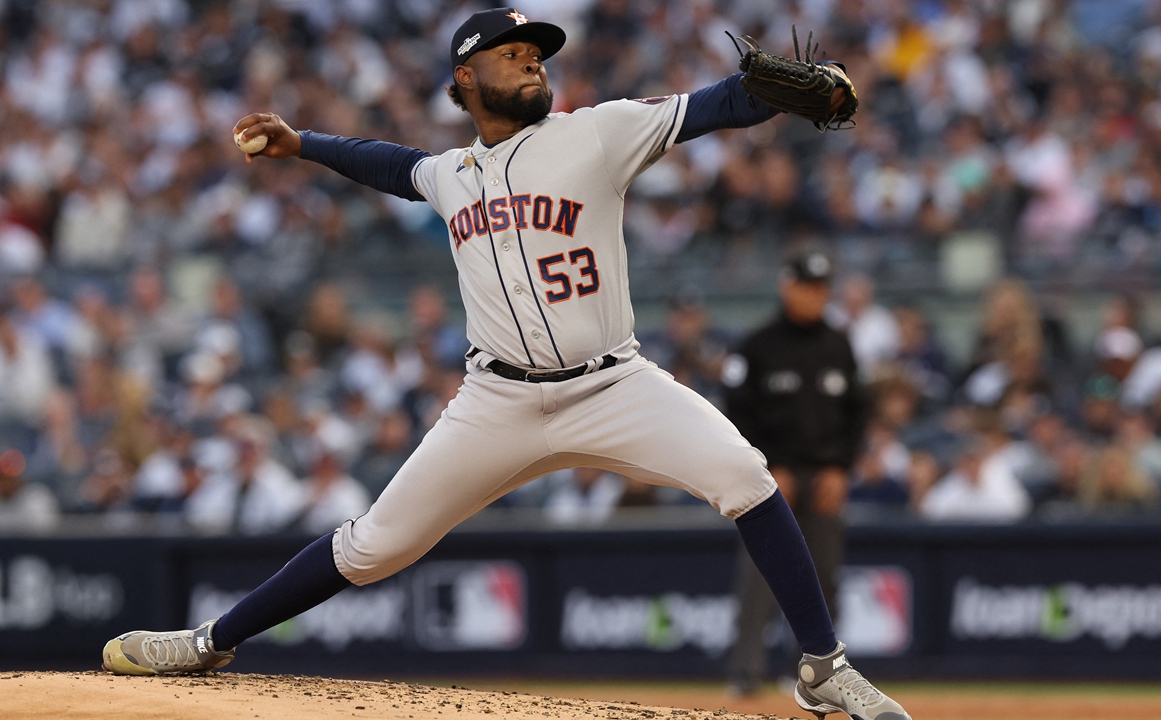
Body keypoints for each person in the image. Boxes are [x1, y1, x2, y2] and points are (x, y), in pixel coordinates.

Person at [101, 9, 908, 720]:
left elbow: (719, 104)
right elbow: (386, 162)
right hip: (496, 402)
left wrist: (800, 93)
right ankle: (211, 640)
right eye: (511, 51)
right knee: (376, 546)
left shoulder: (597, 132)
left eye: (536, 51)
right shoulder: (452, 175)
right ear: (466, 74)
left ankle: (821, 668)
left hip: (612, 384)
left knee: (746, 475)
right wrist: (303, 144)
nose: (531, 59)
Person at [720, 249, 866, 696]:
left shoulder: (838, 345)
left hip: (824, 477)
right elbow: (737, 413)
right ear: (788, 288)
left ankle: (809, 673)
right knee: (761, 576)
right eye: (808, 287)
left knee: (823, 577)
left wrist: (841, 468)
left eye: (822, 289)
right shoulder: (758, 346)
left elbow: (857, 414)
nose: (816, 297)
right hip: (771, 480)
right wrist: (765, 465)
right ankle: (745, 672)